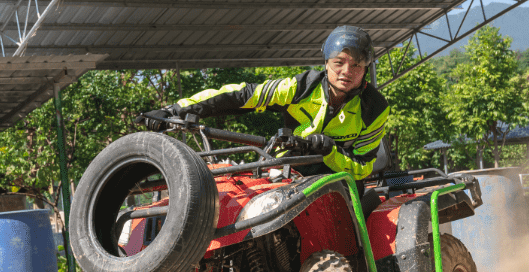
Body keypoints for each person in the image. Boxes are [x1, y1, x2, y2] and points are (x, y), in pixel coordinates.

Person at [142, 25, 389, 182]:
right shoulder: (299, 87)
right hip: (286, 171)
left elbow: (362, 168)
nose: (347, 71)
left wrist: (330, 152)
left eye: (356, 64)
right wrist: (174, 111)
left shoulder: (375, 109)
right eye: (339, 62)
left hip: (337, 179)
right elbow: (242, 94)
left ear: (366, 68)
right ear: (326, 63)